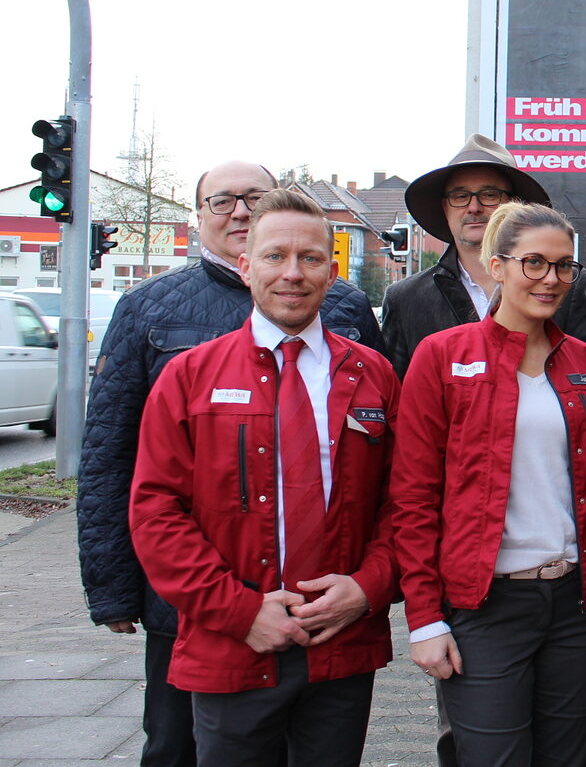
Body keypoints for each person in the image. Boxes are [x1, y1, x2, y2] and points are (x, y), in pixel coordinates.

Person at [76, 160, 382, 767]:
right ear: (246, 265)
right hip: (221, 632)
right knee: (174, 746)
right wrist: (237, 612)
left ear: (333, 267)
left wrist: (368, 588)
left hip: (341, 639)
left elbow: (403, 499)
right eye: (274, 257)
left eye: (310, 258)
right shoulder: (185, 368)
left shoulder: (371, 373)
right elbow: (143, 492)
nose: (293, 273)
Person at [392, 201, 586, 767]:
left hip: (574, 604)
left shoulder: (583, 363)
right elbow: (412, 498)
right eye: (534, 263)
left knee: (572, 756)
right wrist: (424, 618)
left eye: (563, 267)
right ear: (495, 265)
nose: (551, 280)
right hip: (484, 605)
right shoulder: (442, 358)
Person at [381, 134, 586, 381]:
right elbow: (395, 397)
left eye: (489, 195)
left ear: (514, 204)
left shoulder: (565, 283)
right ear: (445, 208)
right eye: (460, 196)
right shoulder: (406, 299)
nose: (474, 207)